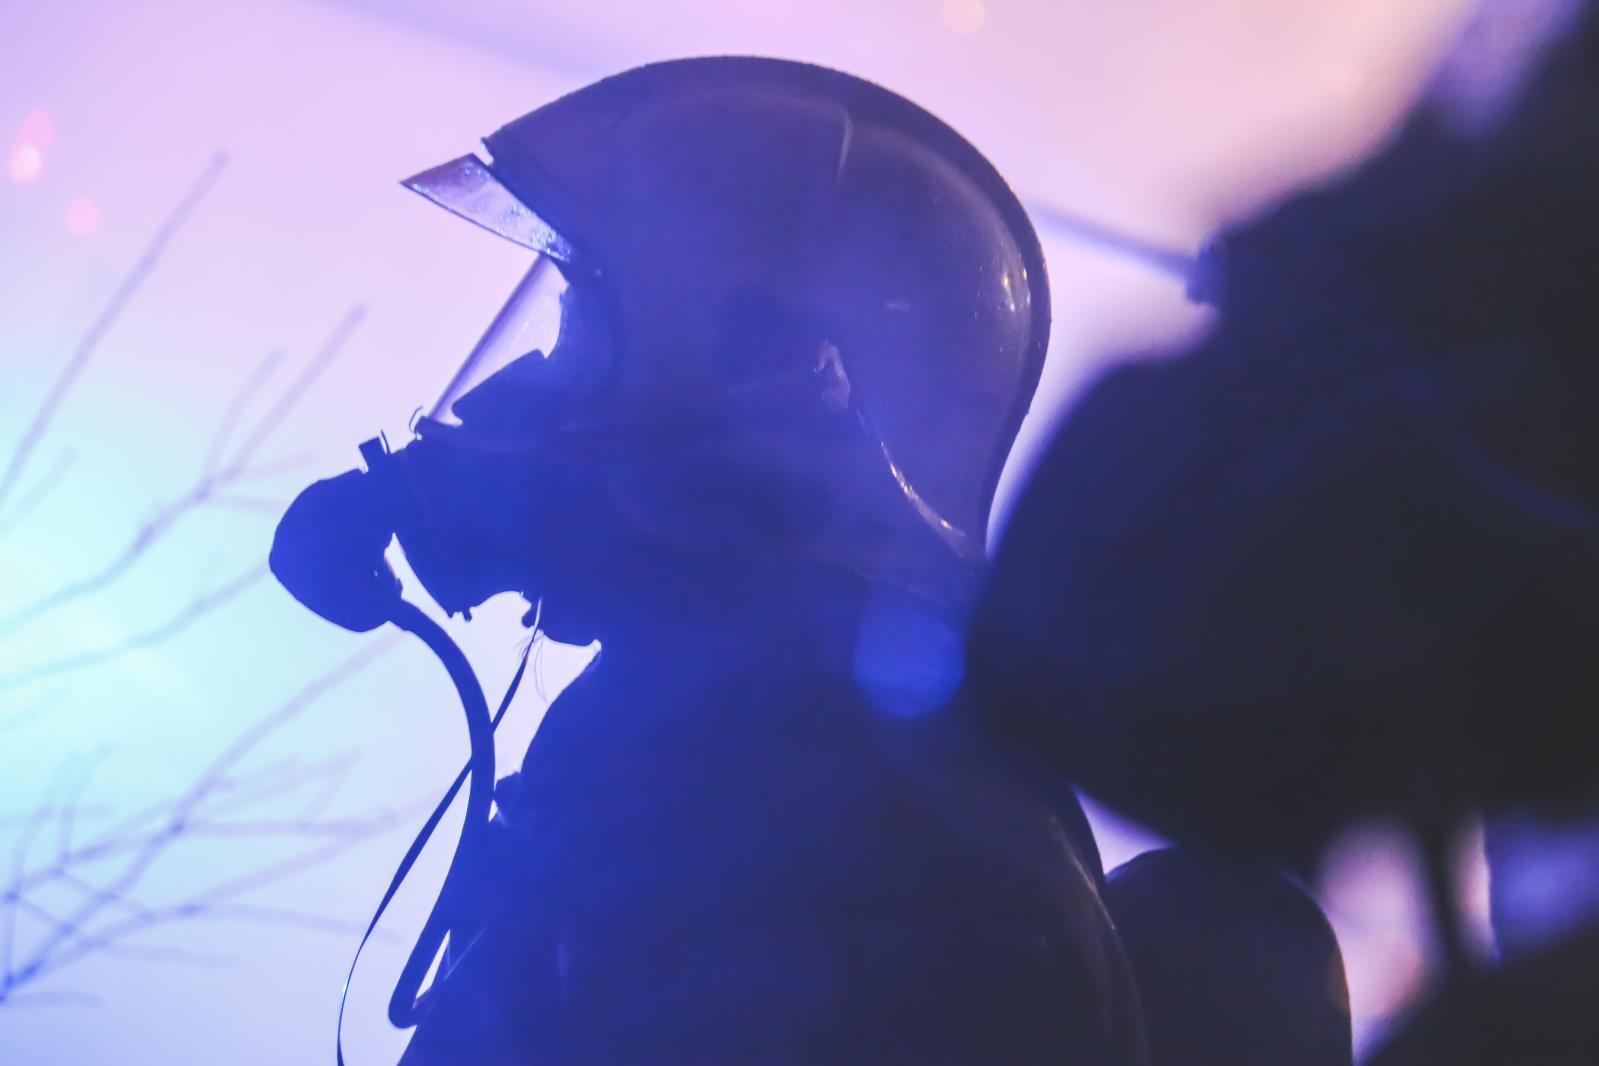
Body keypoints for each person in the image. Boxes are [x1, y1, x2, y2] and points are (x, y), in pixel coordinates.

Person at [272, 57, 1146, 1065]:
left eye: (585, 343)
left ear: (774, 396)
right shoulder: (696, 749)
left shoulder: (896, 845)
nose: (503, 399)